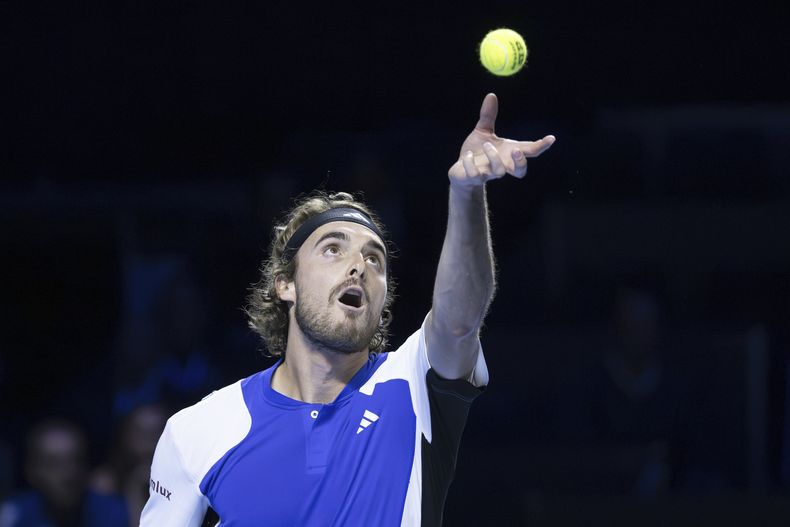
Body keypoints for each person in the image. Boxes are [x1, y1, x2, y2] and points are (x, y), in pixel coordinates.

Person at [140, 93, 555, 526]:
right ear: (286, 285)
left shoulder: (413, 383)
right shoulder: (197, 430)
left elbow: (459, 322)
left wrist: (467, 192)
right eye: (332, 249)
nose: (359, 265)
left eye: (375, 259)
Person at [0, 419, 128, 527]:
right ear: (32, 471)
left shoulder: (113, 513)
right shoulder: (13, 515)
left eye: (76, 460)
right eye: (54, 464)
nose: (69, 473)